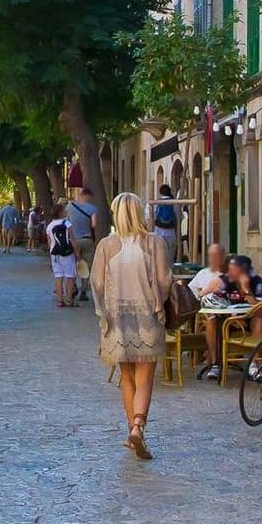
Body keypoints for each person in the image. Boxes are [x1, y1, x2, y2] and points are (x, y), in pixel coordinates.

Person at [95, 192, 171, 459]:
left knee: (126, 377)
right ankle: (138, 428)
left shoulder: (106, 245)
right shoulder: (154, 243)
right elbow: (164, 280)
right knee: (145, 377)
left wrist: (106, 306)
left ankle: (132, 430)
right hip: (147, 316)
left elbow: (98, 283)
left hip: (118, 317)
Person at [198, 254, 262, 381]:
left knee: (259, 320)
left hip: (248, 320)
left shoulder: (257, 283)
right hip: (228, 320)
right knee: (211, 321)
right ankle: (215, 364)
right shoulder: (225, 281)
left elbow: (261, 310)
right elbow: (205, 298)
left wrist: (246, 291)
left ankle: (254, 364)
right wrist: (209, 289)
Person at [66, 188, 101, 294]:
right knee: (86, 265)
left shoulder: (70, 206)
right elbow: (94, 225)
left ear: (81, 195)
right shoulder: (93, 209)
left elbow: (67, 222)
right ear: (89, 197)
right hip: (87, 239)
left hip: (73, 240)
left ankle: (73, 286)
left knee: (72, 264)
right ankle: (83, 291)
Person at [47, 209, 80, 307]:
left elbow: (49, 243)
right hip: (67, 253)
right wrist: (77, 253)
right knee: (71, 276)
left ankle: (60, 300)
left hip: (55, 254)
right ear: (60, 213)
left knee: (58, 276)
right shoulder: (67, 224)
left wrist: (50, 255)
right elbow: (73, 239)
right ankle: (69, 299)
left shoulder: (49, 226)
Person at [151, 186, 181, 257]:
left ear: (160, 192)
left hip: (158, 231)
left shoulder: (156, 203)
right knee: (170, 255)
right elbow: (179, 217)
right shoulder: (175, 203)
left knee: (159, 254)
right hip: (171, 232)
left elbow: (149, 217)